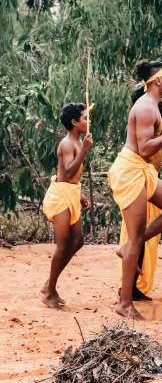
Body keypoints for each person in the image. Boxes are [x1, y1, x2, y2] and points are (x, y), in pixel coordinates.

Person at [107, 60, 162, 320]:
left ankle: (129, 244)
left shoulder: (152, 106)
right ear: (158, 81)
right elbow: (145, 149)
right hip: (131, 170)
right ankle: (125, 303)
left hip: (144, 171)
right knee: (138, 234)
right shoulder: (145, 108)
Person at [40, 103, 92, 309]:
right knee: (63, 245)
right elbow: (68, 173)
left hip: (70, 193)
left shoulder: (77, 141)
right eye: (85, 118)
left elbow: (70, 176)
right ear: (74, 122)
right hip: (60, 196)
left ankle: (49, 283)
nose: (88, 122)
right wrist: (84, 151)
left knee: (77, 241)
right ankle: (50, 292)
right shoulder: (67, 144)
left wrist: (79, 195)